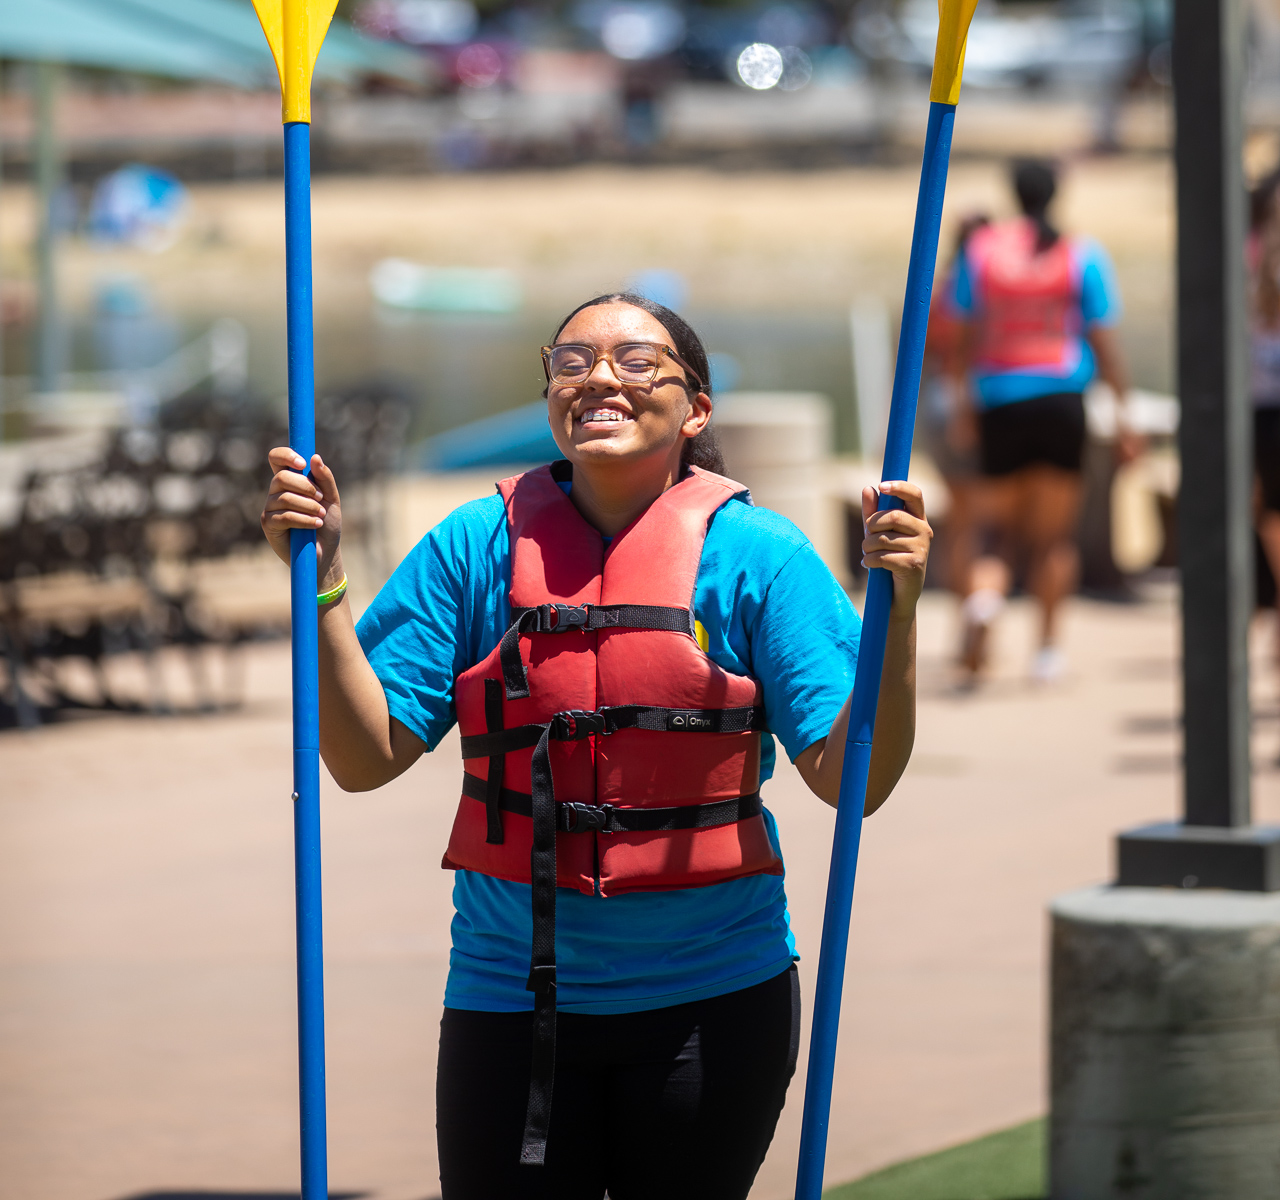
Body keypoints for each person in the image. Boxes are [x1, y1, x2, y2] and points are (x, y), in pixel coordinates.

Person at [261, 291, 932, 1200]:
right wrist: (325, 581)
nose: (600, 378)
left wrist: (901, 618)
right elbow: (363, 755)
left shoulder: (759, 557)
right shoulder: (475, 545)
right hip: (509, 1001)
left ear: (696, 408)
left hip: (713, 1003)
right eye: (571, 363)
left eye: (636, 360)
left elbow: (855, 779)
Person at [946, 159, 1135, 684]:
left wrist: (963, 405)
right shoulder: (1081, 253)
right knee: (1053, 537)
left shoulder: (982, 252)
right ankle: (1048, 651)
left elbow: (961, 338)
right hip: (1062, 398)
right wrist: (1124, 414)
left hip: (1000, 398)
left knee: (994, 531)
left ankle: (984, 602)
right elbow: (1105, 343)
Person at [1248, 169, 1280, 634]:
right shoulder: (1250, 257)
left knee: (1271, 512)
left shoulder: (1247, 255)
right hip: (1261, 404)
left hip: (1260, 404)